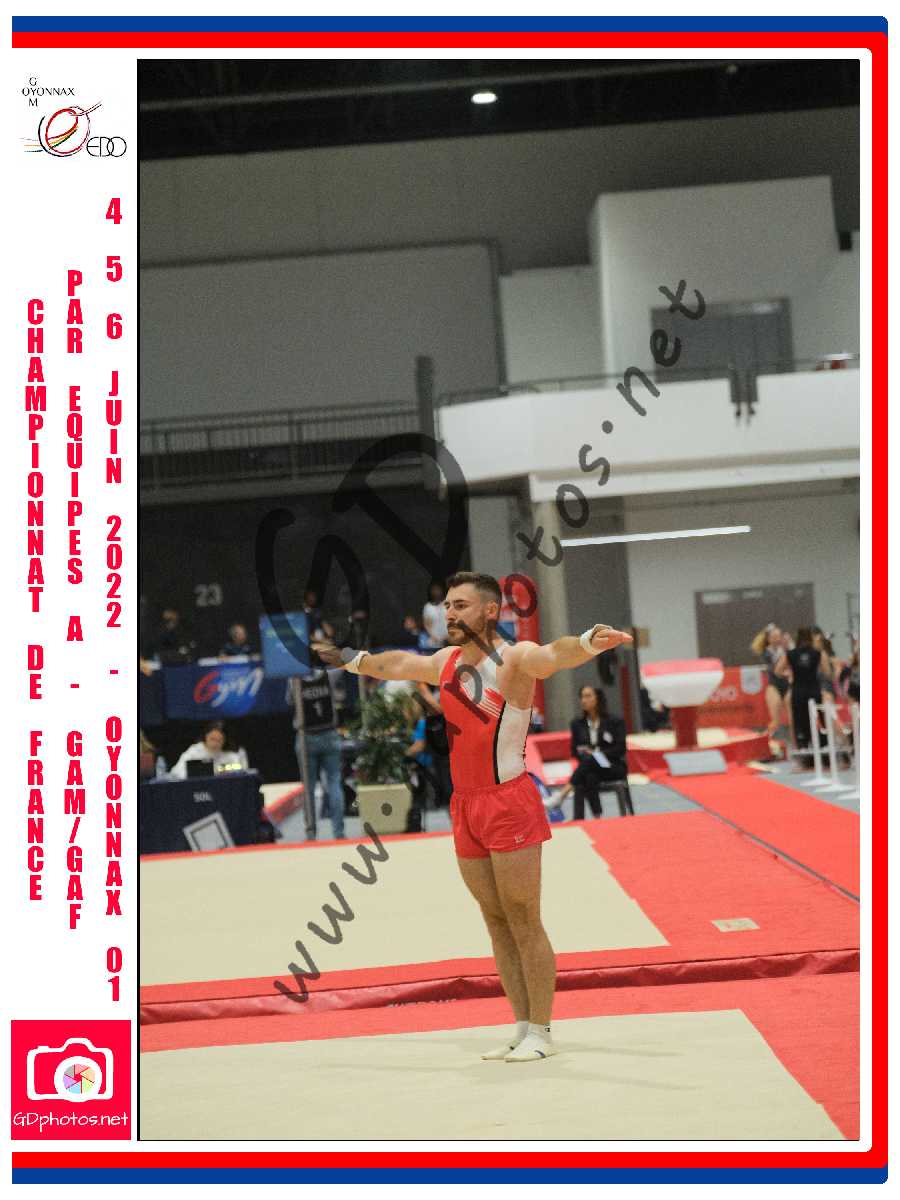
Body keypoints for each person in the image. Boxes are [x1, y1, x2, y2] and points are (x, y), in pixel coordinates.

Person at [314, 571, 631, 1064]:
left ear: (490, 610)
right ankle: (521, 1026)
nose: (449, 613)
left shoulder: (514, 658)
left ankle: (542, 1030)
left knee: (523, 917)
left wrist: (588, 641)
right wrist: (350, 659)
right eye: (446, 605)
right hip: (465, 805)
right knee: (495, 919)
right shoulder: (445, 662)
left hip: (508, 801)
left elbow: (554, 655)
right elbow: (397, 663)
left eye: (460, 605)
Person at [289, 656, 346, 840]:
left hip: (307, 736)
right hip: (329, 735)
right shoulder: (330, 675)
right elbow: (345, 664)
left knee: (309, 788)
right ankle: (339, 832)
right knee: (334, 783)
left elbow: (290, 701)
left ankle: (311, 833)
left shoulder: (293, 680)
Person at [565, 686, 628, 818]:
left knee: (589, 763)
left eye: (588, 696)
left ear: (597, 698)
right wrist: (587, 755)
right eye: (582, 697)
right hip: (590, 767)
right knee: (587, 777)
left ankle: (563, 793)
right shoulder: (577, 724)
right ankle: (596, 817)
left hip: (612, 766)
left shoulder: (615, 721)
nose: (584, 700)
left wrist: (598, 754)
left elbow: (620, 749)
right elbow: (574, 750)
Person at [775, 627, 822, 751]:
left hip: (798, 690)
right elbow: (826, 670)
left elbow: (778, 671)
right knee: (818, 715)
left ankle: (802, 744)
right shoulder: (816, 653)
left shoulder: (791, 654)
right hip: (814, 689)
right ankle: (822, 742)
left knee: (799, 718)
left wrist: (788, 674)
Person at [751, 623, 792, 738]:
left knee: (793, 718)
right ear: (769, 639)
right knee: (776, 720)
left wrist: (788, 647)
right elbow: (775, 669)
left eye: (779, 636)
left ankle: (797, 743)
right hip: (774, 685)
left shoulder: (786, 648)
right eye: (774, 637)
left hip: (787, 685)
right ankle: (767, 739)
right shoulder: (766, 652)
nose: (777, 639)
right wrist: (784, 652)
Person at [171, 721, 248, 779]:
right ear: (205, 737)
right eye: (212, 739)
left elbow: (241, 773)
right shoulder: (194, 751)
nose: (215, 744)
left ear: (225, 740)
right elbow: (176, 772)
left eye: (219, 740)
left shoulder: (232, 754)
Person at [422, 580, 448, 649]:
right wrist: (434, 637)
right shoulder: (428, 607)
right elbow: (427, 624)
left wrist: (447, 636)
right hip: (434, 641)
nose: (436, 592)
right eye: (434, 590)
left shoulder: (447, 604)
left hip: (448, 640)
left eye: (438, 589)